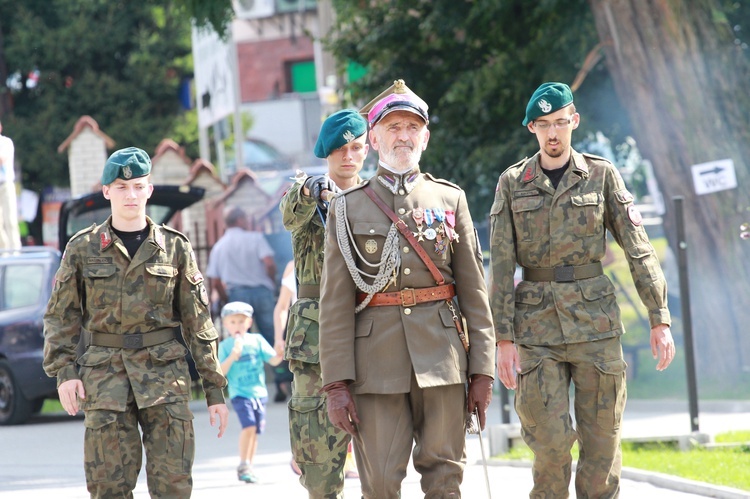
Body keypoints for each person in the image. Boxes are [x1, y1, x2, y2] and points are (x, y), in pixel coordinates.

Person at [489, 82, 676, 498]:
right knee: (551, 445)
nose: (553, 133)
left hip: (596, 326)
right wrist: (502, 338)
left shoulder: (601, 175)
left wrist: (658, 317)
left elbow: (639, 250)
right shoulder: (513, 182)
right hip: (536, 331)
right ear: (532, 128)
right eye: (543, 125)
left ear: (574, 122)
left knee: (602, 445)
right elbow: (501, 267)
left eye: (560, 123)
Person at [318, 80, 496, 498]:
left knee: (446, 478)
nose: (403, 136)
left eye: (412, 127)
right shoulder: (348, 207)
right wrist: (337, 384)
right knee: (379, 483)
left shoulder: (450, 199)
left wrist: (482, 369)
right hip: (375, 367)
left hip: (444, 359)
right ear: (374, 138)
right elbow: (335, 304)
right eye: (393, 127)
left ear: (425, 137)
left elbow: (475, 293)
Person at [42, 146, 229, 498]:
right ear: (107, 191)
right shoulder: (82, 248)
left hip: (164, 379)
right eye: (122, 187)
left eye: (138, 186)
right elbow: (60, 315)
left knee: (174, 487)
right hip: (105, 380)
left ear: (149, 190)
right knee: (108, 489)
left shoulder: (175, 248)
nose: (131, 195)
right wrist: (64, 372)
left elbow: (198, 322)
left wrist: (214, 388)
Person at [279, 108, 369, 497]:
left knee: (381, 463)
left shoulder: (377, 197)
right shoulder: (306, 197)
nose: (348, 156)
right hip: (317, 341)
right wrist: (310, 189)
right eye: (339, 150)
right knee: (320, 472)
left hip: (372, 327)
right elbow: (290, 214)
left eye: (356, 147)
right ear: (326, 154)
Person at [206, 206, 287, 399]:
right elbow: (269, 263)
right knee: (272, 337)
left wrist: (226, 299)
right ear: (241, 220)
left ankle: (247, 388)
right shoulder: (255, 239)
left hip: (237, 295)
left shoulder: (219, 246)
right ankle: (282, 384)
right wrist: (270, 282)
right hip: (262, 292)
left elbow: (215, 281)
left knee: (240, 342)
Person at [218, 301, 282, 484]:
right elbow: (221, 371)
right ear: (225, 324)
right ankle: (243, 463)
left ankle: (249, 466)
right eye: (233, 322)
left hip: (259, 393)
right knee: (249, 426)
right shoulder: (225, 346)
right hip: (240, 394)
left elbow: (274, 360)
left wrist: (279, 353)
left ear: (249, 322)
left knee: (255, 431)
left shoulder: (257, 340)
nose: (237, 326)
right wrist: (233, 356)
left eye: (241, 321)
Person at [0, 119, 21, 249]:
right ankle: (3, 252)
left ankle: (15, 250)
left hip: (6, 185)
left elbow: (2, 159)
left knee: (11, 220)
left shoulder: (6, 142)